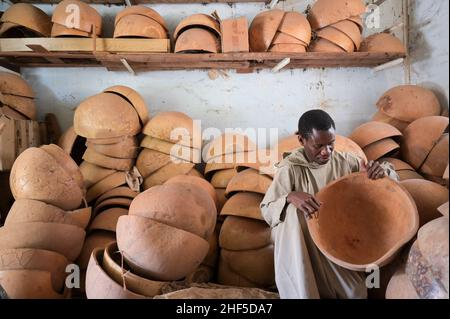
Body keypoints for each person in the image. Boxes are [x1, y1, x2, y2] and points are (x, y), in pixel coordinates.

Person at [260, 110, 398, 299]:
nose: (326, 152)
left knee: (355, 292)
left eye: (331, 144)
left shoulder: (346, 161)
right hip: (304, 243)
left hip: (339, 239)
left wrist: (380, 171)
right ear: (301, 140)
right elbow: (267, 209)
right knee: (293, 212)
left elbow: (388, 182)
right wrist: (290, 197)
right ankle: (303, 291)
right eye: (318, 145)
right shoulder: (290, 168)